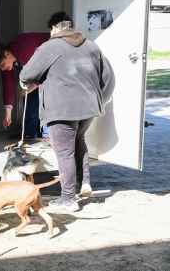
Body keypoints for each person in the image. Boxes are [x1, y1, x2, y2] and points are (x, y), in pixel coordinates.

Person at [19, 11, 110, 212]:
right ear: (71, 26)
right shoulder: (92, 46)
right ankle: (85, 182)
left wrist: (27, 82)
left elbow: (27, 74)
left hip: (62, 110)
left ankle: (68, 199)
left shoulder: (49, 47)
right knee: (79, 141)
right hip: (89, 108)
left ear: (53, 28)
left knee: (64, 153)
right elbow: (105, 76)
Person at [0, 32, 50, 142]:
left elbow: (44, 69)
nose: (2, 69)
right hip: (34, 69)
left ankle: (48, 135)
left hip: (49, 66)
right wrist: (7, 113)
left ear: (7, 54)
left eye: (2, 64)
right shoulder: (8, 64)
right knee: (29, 95)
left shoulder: (23, 49)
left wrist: (33, 85)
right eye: (0, 67)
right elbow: (8, 87)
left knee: (47, 96)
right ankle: (30, 133)